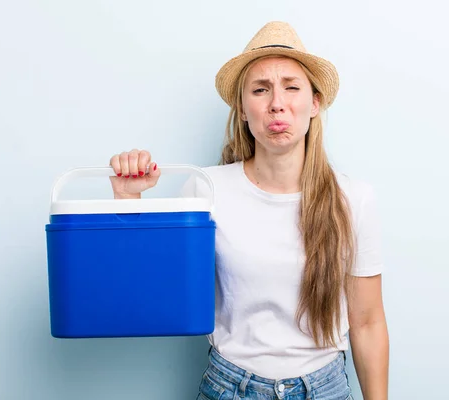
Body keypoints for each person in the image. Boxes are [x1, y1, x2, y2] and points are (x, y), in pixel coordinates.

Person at [108, 21, 388, 400]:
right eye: (260, 90)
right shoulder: (206, 188)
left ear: (314, 103)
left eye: (292, 86)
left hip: (326, 389)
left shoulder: (353, 198)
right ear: (242, 108)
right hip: (229, 387)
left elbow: (368, 322)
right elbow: (153, 293)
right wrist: (128, 204)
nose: (277, 103)